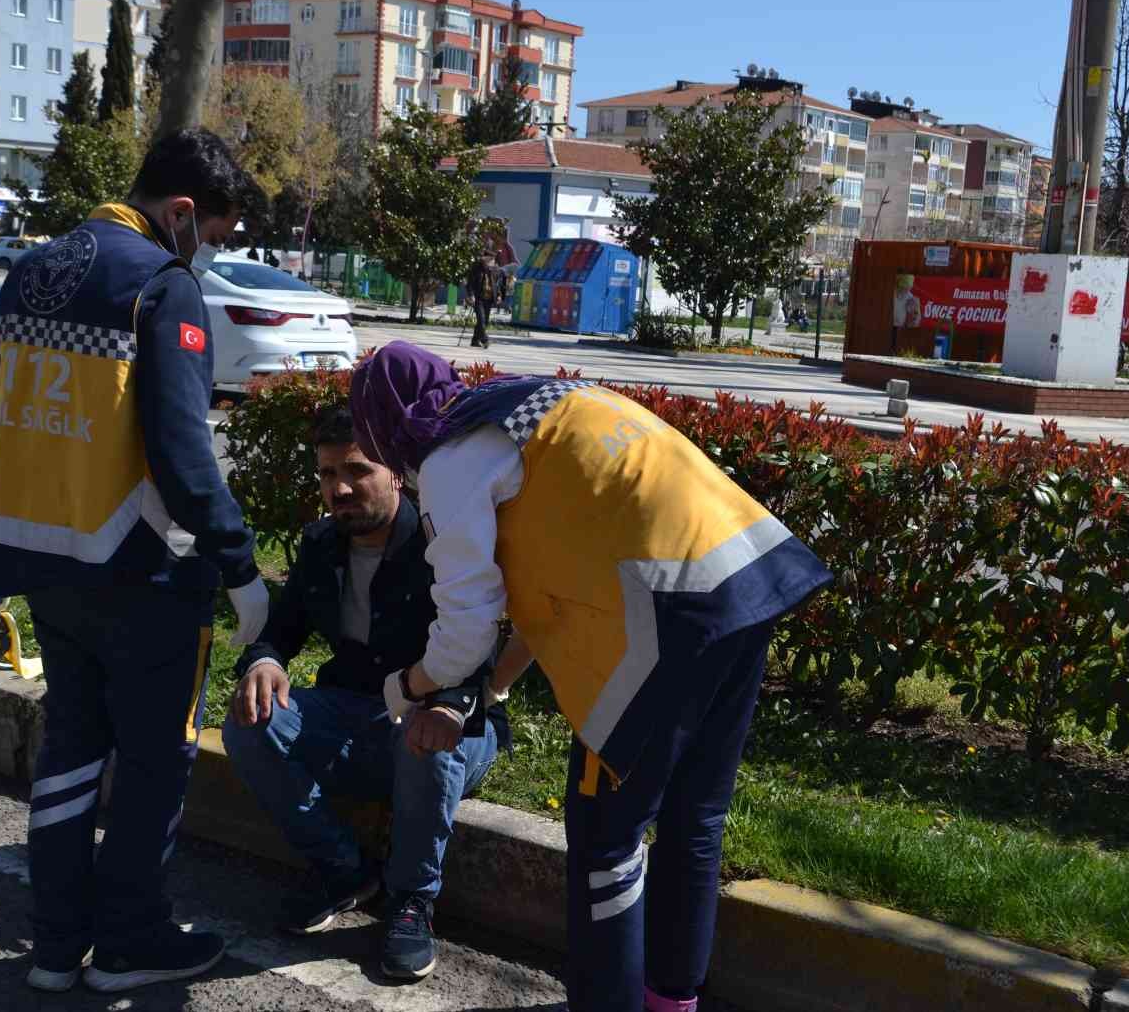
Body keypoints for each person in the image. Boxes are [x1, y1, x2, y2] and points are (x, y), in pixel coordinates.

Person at [348, 343, 832, 1012]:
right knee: (695, 817)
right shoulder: (528, 404)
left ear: (380, 424)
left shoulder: (449, 460)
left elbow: (465, 628)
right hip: (745, 574)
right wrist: (480, 696)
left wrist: (408, 687)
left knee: (605, 834)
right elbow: (534, 605)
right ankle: (672, 1002)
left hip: (668, 611)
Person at [0, 128, 272, 995]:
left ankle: (57, 946)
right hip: (144, 573)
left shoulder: (31, 271)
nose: (210, 254)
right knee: (152, 760)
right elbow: (183, 455)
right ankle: (132, 940)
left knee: (69, 750)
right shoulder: (161, 287)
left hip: (46, 558)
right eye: (212, 236)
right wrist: (242, 569)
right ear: (180, 213)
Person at [222, 406, 504, 980]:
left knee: (426, 735)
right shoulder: (322, 542)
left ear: (396, 472)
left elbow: (485, 651)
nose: (339, 488)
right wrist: (267, 661)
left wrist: (450, 704)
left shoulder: (441, 544)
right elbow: (284, 626)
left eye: (356, 470)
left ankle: (411, 902)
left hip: (452, 721)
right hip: (353, 715)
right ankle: (344, 870)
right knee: (249, 721)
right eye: (326, 474)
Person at [466, 250, 496, 348]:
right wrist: (471, 295)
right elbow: (469, 283)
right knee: (481, 319)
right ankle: (485, 339)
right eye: (490, 259)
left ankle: (475, 340)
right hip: (478, 298)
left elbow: (494, 285)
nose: (492, 261)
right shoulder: (476, 268)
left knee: (484, 321)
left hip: (488, 299)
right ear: (484, 258)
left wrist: (498, 295)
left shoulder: (491, 270)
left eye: (492, 259)